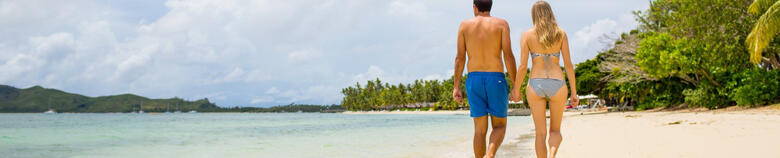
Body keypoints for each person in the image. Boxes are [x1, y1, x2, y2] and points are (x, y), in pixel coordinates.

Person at [510, 1, 578, 158]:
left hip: (536, 84)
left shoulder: (527, 35)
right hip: (558, 83)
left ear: (533, 15)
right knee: (555, 131)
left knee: (540, 133)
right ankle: (552, 155)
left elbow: (522, 67)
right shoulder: (561, 33)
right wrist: (574, 92)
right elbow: (568, 65)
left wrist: (516, 89)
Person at [452, 0, 517, 157]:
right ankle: (490, 154)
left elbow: (460, 58)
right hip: (496, 79)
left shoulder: (464, 26)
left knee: (479, 130)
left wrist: (456, 86)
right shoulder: (501, 24)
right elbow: (508, 55)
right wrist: (516, 85)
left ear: (474, 7)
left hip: (474, 79)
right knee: (499, 126)